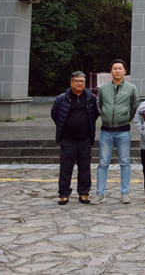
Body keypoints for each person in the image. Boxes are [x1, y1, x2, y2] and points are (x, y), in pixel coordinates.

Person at [92, 59, 139, 205]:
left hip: (123, 130)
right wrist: (105, 116)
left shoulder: (131, 88)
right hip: (106, 131)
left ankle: (125, 193)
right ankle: (100, 194)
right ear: (111, 71)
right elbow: (98, 105)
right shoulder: (103, 89)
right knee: (103, 163)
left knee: (125, 162)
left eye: (120, 68)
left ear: (125, 71)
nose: (117, 71)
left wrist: (125, 118)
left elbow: (134, 106)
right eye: (114, 68)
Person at [51, 71, 99, 205]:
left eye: (82, 81)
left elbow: (95, 114)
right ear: (71, 82)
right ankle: (64, 194)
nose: (79, 83)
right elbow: (55, 114)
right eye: (77, 81)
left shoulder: (90, 98)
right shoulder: (62, 98)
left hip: (85, 139)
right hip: (67, 139)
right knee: (66, 168)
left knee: (85, 168)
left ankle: (84, 193)